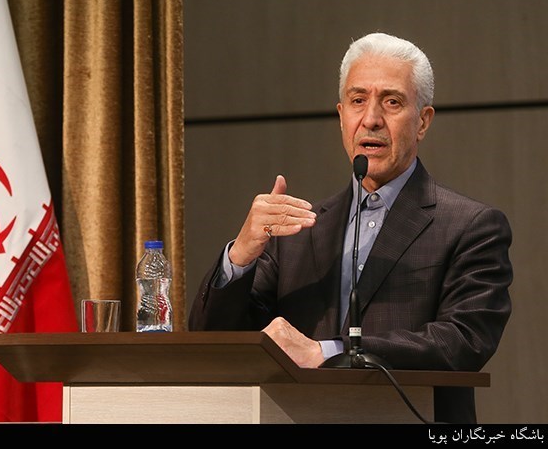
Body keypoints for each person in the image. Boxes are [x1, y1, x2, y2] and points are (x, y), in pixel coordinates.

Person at [188, 32, 513, 424]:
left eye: (392, 102)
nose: (371, 119)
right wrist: (241, 254)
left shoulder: (471, 226)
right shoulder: (297, 230)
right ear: (341, 115)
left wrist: (329, 352)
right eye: (358, 101)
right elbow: (215, 341)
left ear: (423, 121)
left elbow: (463, 341)